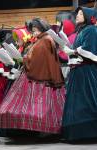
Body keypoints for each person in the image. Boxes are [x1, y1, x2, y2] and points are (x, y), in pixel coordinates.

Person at [0, 18, 65, 136]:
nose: (34, 33)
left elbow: (39, 59)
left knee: (40, 105)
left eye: (36, 30)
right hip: (35, 74)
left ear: (42, 28)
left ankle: (42, 130)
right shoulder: (41, 40)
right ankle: (29, 131)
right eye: (33, 31)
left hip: (42, 77)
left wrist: (24, 59)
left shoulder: (46, 40)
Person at [61, 7, 97, 141]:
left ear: (88, 16)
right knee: (76, 102)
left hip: (87, 72)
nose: (77, 15)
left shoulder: (91, 30)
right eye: (77, 13)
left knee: (87, 101)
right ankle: (76, 134)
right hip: (78, 72)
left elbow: (91, 51)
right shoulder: (81, 31)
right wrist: (71, 52)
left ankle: (89, 134)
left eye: (81, 13)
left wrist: (74, 51)